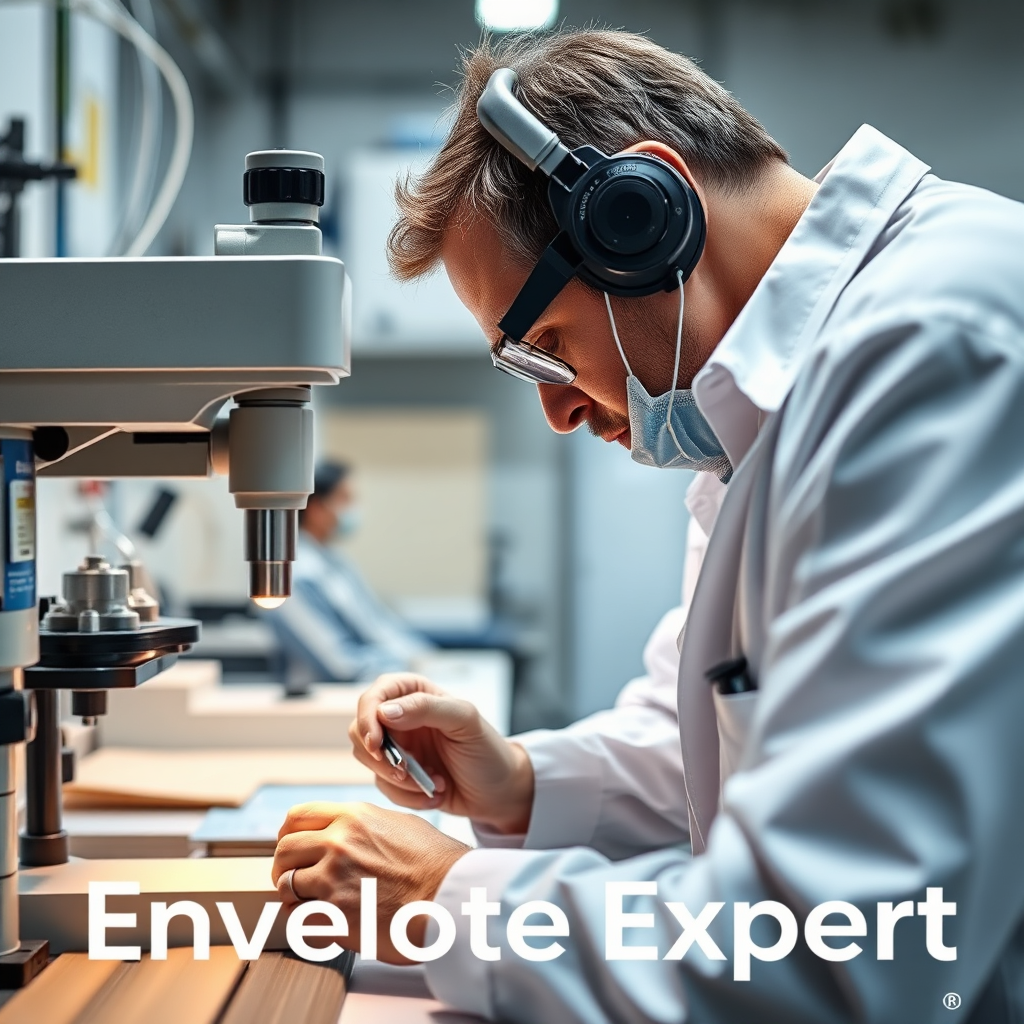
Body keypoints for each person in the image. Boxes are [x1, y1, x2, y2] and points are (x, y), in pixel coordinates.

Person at [271, 28, 1024, 1022]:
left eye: (545, 345)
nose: (559, 408)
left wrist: (443, 896)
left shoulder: (934, 352)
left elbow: (850, 942)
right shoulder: (776, 407)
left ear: (641, 216)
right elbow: (733, 735)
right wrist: (524, 782)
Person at [266, 461, 434, 688]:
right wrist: (402, 668)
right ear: (316, 509)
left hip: (372, 684)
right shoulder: (293, 576)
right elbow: (339, 664)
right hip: (323, 701)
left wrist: (420, 658)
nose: (354, 508)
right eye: (345, 499)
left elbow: (377, 625)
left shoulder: (336, 562)